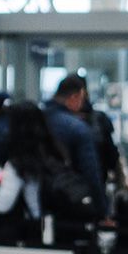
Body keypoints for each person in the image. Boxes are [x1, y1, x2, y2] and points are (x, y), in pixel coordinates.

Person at [0, 103, 66, 245]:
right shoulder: (54, 152)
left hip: (22, 229)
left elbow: (2, 205)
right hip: (56, 226)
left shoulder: (16, 163)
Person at [44, 74, 105, 207]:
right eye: (82, 99)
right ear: (74, 97)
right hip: (71, 197)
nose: (82, 104)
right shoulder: (77, 127)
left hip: (40, 197)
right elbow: (90, 170)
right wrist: (101, 206)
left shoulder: (37, 119)